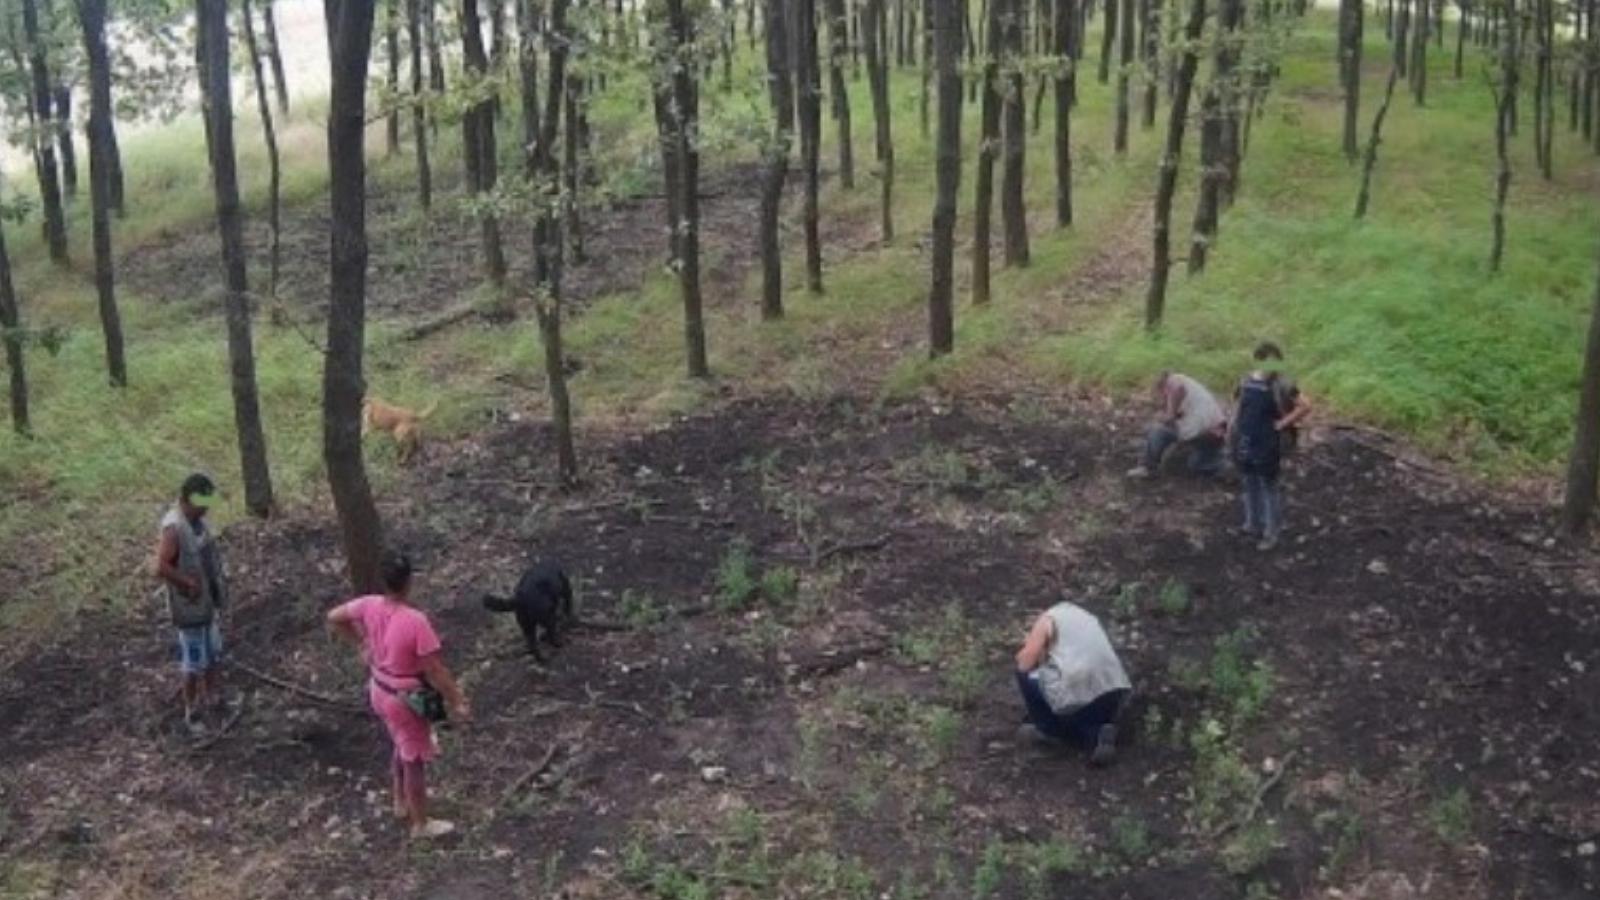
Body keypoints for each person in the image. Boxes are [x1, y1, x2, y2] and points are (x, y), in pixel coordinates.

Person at [327, 549, 470, 840]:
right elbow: (435, 670)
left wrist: (362, 642)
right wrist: (457, 700)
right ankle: (420, 823)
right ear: (409, 582)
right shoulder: (415, 621)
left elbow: (335, 617)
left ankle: (400, 801)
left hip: (379, 687)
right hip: (405, 697)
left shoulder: (369, 605)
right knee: (415, 756)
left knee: (400, 742)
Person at [153, 473, 229, 734]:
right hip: (190, 608)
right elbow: (160, 566)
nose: (207, 508)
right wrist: (186, 582)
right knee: (193, 661)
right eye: (203, 502)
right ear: (189, 499)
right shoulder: (174, 527)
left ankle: (214, 699)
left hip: (208, 603)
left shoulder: (198, 523)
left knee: (214, 653)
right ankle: (191, 711)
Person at [1014, 599, 1132, 766]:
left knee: (1025, 675)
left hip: (1079, 687)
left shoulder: (1048, 618)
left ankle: (1048, 733)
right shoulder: (1087, 618)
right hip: (1114, 688)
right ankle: (1097, 735)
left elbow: (1025, 662)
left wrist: (1029, 651)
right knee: (1082, 718)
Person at [1231, 342, 1312, 551]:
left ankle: (1271, 532)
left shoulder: (1282, 384)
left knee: (1268, 486)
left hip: (1268, 440)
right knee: (1249, 482)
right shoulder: (1247, 379)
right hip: (1247, 437)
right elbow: (1240, 405)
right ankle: (1251, 524)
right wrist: (1234, 429)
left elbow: (1306, 405)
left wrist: (1282, 424)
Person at [1126, 371, 1227, 479]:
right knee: (1196, 464)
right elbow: (1183, 413)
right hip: (1215, 430)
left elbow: (1178, 390)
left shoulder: (1173, 380)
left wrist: (1170, 414)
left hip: (1203, 429)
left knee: (1158, 431)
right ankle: (1222, 464)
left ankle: (1148, 467)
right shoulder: (1193, 392)